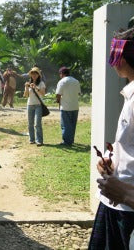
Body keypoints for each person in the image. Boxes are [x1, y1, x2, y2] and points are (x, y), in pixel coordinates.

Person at [89, 29, 134, 249]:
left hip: (127, 205)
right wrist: (111, 158)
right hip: (117, 197)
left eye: (113, 55)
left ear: (122, 58)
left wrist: (126, 193)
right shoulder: (130, 94)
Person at [55, 66, 81, 146]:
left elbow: (58, 94)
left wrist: (58, 100)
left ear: (62, 74)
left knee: (65, 125)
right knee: (73, 125)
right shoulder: (76, 81)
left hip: (66, 107)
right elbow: (79, 93)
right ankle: (71, 140)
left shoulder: (62, 81)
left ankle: (66, 142)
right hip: (75, 106)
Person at [23, 67, 46, 146]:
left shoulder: (41, 83)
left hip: (38, 105)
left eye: (35, 73)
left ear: (38, 75)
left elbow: (43, 93)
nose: (34, 75)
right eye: (32, 73)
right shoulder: (28, 83)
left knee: (37, 123)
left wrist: (36, 87)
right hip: (30, 105)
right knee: (30, 123)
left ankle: (39, 140)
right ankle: (32, 139)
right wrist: (26, 87)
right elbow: (26, 95)